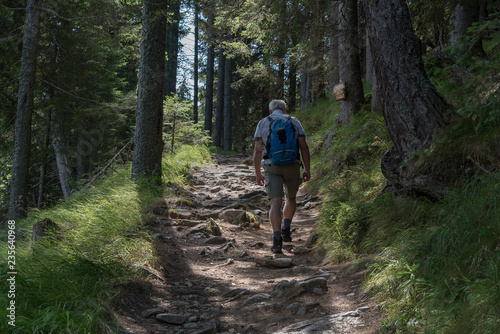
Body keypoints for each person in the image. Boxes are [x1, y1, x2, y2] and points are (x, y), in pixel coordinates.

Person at [253, 99, 311, 254]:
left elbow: (258, 150)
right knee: (291, 198)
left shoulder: (264, 122)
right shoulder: (294, 121)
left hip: (272, 166)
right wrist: (307, 169)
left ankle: (277, 240)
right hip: (293, 165)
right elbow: (304, 146)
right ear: (284, 110)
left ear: (271, 111)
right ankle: (286, 228)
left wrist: (258, 172)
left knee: (275, 203)